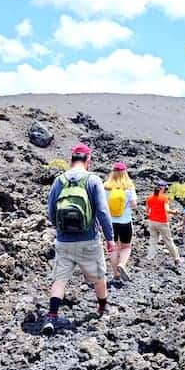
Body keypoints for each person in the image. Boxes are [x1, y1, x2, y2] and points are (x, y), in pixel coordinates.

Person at [43, 143, 115, 335]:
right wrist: (110, 238)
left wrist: (60, 229)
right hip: (88, 239)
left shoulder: (59, 180)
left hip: (64, 241)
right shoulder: (93, 180)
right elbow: (102, 211)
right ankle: (102, 308)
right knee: (99, 276)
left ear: (71, 159)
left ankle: (51, 316)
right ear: (88, 160)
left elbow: (50, 210)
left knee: (60, 279)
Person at [104, 162, 137, 288]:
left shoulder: (106, 186)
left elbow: (101, 204)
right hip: (125, 221)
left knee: (112, 248)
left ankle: (116, 276)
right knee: (126, 247)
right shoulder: (129, 187)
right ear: (125, 173)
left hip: (110, 222)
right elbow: (134, 204)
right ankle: (122, 264)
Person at [145, 181, 181, 265]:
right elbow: (167, 210)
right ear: (163, 188)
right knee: (168, 241)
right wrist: (174, 212)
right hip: (162, 222)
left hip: (152, 221)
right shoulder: (164, 198)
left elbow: (147, 210)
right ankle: (176, 258)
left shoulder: (149, 197)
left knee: (153, 240)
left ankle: (149, 258)